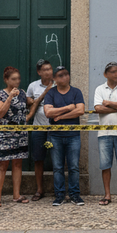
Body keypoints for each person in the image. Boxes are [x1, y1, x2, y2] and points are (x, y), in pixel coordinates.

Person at [0, 66, 37, 207]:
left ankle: (16, 195)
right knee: (2, 164)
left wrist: (28, 116)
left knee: (18, 164)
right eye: (13, 79)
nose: (17, 81)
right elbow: (0, 113)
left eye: (18, 78)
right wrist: (10, 97)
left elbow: (30, 104)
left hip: (20, 134)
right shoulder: (0, 94)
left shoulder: (23, 93)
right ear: (6, 80)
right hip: (5, 135)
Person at [43, 66, 85, 206]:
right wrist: (68, 108)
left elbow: (80, 110)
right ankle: (59, 195)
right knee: (57, 167)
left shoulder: (76, 92)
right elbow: (48, 113)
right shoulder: (51, 93)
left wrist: (60, 116)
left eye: (66, 74)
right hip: (55, 136)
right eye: (61, 75)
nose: (65, 77)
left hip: (73, 135)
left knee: (73, 167)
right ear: (54, 78)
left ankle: (74, 195)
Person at [93, 62, 117, 206]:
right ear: (106, 74)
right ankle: (107, 195)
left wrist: (108, 103)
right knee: (105, 165)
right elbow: (98, 108)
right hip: (105, 132)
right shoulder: (99, 89)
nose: (116, 74)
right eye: (113, 72)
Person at [26, 59, 54, 201]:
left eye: (50, 69)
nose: (48, 72)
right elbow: (30, 103)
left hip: (55, 129)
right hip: (38, 128)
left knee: (57, 159)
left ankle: (58, 189)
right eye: (45, 69)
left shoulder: (58, 83)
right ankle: (39, 189)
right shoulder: (33, 86)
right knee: (38, 159)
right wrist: (44, 93)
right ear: (39, 72)